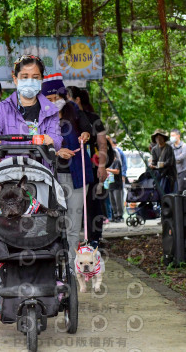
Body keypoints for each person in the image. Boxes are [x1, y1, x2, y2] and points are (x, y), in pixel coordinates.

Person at [42, 74, 93, 257]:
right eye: (49, 99)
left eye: (58, 98)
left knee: (73, 225)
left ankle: (72, 270)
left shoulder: (73, 110)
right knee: (52, 224)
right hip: (50, 178)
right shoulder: (40, 117)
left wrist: (85, 134)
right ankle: (53, 265)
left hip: (77, 177)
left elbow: (87, 127)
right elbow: (37, 143)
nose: (54, 102)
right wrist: (56, 152)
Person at [0, 55, 62, 150]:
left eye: (35, 77)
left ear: (41, 80)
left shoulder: (51, 110)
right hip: (9, 164)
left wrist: (52, 141)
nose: (30, 81)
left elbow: (57, 140)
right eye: (25, 77)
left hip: (40, 164)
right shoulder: (2, 108)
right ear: (15, 79)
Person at [67, 86, 109, 247]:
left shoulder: (93, 118)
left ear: (77, 100)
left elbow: (102, 144)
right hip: (67, 167)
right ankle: (72, 240)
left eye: (68, 97)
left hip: (88, 166)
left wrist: (102, 166)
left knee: (92, 202)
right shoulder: (62, 116)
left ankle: (94, 239)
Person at [150, 129, 177, 194]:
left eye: (160, 137)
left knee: (169, 194)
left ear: (163, 138)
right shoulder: (154, 149)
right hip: (159, 175)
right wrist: (152, 166)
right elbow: (154, 162)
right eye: (157, 138)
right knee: (159, 194)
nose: (158, 139)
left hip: (169, 175)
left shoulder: (169, 148)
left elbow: (170, 162)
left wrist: (161, 165)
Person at [107, 137, 124, 222]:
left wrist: (107, 169)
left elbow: (117, 171)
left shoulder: (117, 161)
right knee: (112, 201)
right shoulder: (109, 163)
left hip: (117, 184)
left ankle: (120, 216)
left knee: (118, 201)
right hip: (111, 184)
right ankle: (115, 215)